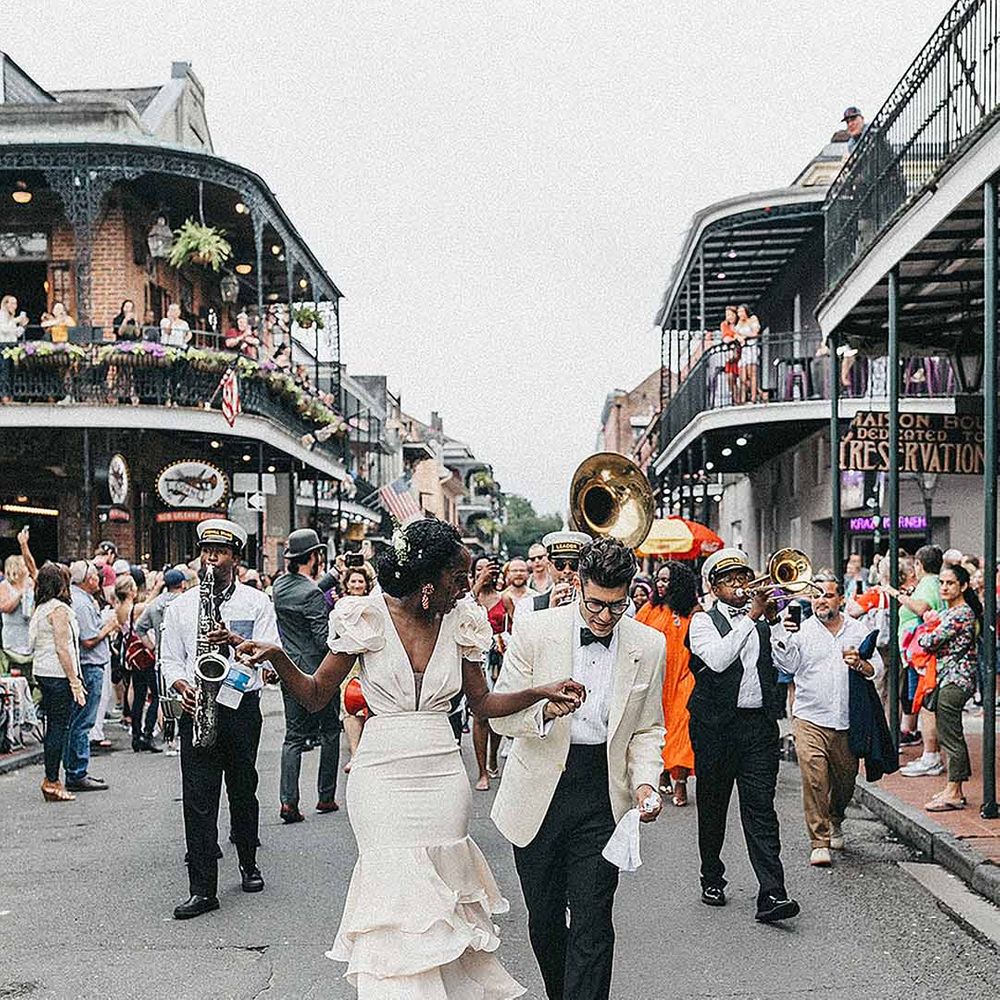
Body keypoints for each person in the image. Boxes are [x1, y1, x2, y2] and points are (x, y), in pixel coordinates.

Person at [231, 517, 583, 996]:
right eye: (457, 579)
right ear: (426, 581)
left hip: (443, 776)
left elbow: (482, 705)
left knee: (442, 905)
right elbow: (315, 695)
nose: (466, 588)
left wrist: (538, 692)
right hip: (380, 778)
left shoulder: (463, 621)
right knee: (394, 901)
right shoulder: (364, 616)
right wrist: (276, 657)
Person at [490, 536, 664, 1000]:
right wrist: (544, 710)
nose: (605, 617)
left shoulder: (650, 644)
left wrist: (647, 783)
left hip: (602, 796)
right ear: (578, 584)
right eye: (595, 605)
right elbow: (500, 714)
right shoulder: (534, 630)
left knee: (592, 921)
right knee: (545, 923)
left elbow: (647, 729)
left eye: (617, 605)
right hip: (539, 791)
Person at [159, 519, 281, 920]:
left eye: (221, 552)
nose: (212, 558)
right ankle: (202, 889)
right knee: (197, 799)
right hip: (198, 706)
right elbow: (170, 657)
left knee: (243, 790)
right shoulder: (180, 606)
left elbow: (270, 654)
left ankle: (248, 862)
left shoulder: (256, 602)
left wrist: (235, 645)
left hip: (240, 706)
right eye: (206, 551)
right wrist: (180, 685)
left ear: (236, 558)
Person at [687, 548, 799, 923]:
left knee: (761, 810)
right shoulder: (701, 622)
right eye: (729, 579)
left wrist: (775, 621)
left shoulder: (764, 622)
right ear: (714, 586)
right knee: (713, 805)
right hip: (715, 727)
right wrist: (751, 618)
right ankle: (711, 875)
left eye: (743, 577)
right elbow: (717, 660)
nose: (739, 584)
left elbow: (790, 664)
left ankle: (772, 892)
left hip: (758, 727)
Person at [779, 576, 882, 866]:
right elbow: (786, 666)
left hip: (847, 720)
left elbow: (880, 670)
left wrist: (861, 664)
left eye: (827, 595)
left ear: (841, 600)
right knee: (814, 778)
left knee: (845, 781)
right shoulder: (801, 631)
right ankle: (819, 840)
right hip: (809, 717)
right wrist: (784, 636)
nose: (821, 601)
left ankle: (836, 817)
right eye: (816, 596)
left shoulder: (858, 629)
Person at [272, 528, 341, 823]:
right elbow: (321, 638)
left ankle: (288, 801)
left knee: (294, 738)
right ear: (313, 556)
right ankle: (325, 796)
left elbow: (306, 591)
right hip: (317, 671)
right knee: (329, 732)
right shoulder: (312, 593)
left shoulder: (279, 586)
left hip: (290, 668)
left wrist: (333, 576)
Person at [916, 563, 982, 811]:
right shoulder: (952, 612)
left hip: (956, 680)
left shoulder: (961, 613)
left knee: (950, 735)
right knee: (947, 733)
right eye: (941, 583)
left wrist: (926, 629)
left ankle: (955, 790)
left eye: (950, 583)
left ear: (963, 586)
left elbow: (928, 640)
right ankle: (952, 787)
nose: (944, 587)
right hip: (948, 679)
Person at [636, 562, 697, 806]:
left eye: (666, 580)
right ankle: (662, 772)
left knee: (682, 730)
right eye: (658, 580)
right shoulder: (650, 610)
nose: (661, 584)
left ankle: (680, 782)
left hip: (684, 678)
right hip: (656, 680)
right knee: (659, 729)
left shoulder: (694, 611)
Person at [886, 544, 945, 776]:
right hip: (919, 654)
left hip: (923, 655)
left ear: (920, 565)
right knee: (924, 704)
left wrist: (897, 595)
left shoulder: (930, 583)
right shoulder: (931, 583)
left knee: (927, 705)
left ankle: (931, 755)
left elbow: (922, 607)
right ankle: (931, 754)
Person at [29, 563, 86, 802]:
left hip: (44, 671)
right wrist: (74, 681)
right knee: (58, 729)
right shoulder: (58, 610)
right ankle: (52, 780)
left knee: (55, 726)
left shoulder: (41, 608)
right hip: (57, 674)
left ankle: (52, 778)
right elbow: (63, 648)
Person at [67, 560, 118, 792]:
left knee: (80, 720)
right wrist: (107, 629)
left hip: (90, 665)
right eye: (95, 575)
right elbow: (88, 640)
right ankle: (77, 772)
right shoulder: (82, 604)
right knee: (83, 721)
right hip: (90, 666)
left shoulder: (82, 599)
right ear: (88, 580)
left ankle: (77, 771)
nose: (99, 578)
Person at [471, 555, 516, 790]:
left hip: (498, 659)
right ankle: (482, 772)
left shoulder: (504, 599)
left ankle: (492, 757)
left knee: (496, 711)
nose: (484, 572)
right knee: (479, 714)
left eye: (488, 569)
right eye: (479, 569)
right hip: (475, 659)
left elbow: (516, 629)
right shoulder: (468, 597)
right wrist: (478, 583)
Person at [134, 568, 188, 755]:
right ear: (182, 584)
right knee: (184, 697)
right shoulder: (186, 602)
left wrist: (151, 646)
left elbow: (139, 627)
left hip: (162, 657)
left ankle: (169, 741)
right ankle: (183, 738)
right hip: (184, 657)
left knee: (166, 699)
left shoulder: (155, 604)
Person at [115, 574, 160, 753]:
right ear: (129, 591)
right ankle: (147, 734)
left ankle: (136, 734)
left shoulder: (118, 609)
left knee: (139, 695)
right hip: (143, 655)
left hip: (131, 656)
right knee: (155, 693)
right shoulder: (135, 609)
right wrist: (158, 586)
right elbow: (150, 605)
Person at [514, 531, 589, 617]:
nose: (567, 571)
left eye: (574, 565)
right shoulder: (529, 606)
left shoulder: (594, 604)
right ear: (549, 566)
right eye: (560, 565)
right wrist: (550, 613)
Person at [1, 528, 38, 681]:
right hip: (13, 635)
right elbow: (5, 607)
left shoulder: (31, 582)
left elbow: (34, 568)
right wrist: (20, 594)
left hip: (29, 632)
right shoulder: (4, 586)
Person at [0, 294, 28, 401]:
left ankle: (10, 394)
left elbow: (16, 334)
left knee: (12, 370)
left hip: (12, 346)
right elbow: (4, 329)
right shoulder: (2, 315)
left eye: (15, 303)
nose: (14, 306)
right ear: (5, 304)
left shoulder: (11, 317)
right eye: (11, 303)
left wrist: (22, 326)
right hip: (3, 346)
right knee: (4, 370)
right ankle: (4, 395)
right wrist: (15, 320)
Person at [735, 304, 762, 404]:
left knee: (752, 374)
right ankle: (743, 398)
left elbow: (755, 333)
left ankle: (753, 397)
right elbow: (736, 334)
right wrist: (739, 337)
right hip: (744, 351)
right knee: (743, 376)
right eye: (738, 312)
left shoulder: (753, 319)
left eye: (741, 312)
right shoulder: (739, 323)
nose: (740, 314)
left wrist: (744, 336)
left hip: (752, 348)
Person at [720, 305, 742, 405]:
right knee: (730, 377)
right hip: (730, 354)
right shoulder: (724, 324)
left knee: (743, 378)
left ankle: (744, 398)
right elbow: (725, 336)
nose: (729, 317)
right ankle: (735, 399)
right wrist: (735, 336)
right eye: (727, 315)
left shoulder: (740, 324)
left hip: (740, 353)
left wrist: (734, 336)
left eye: (731, 314)